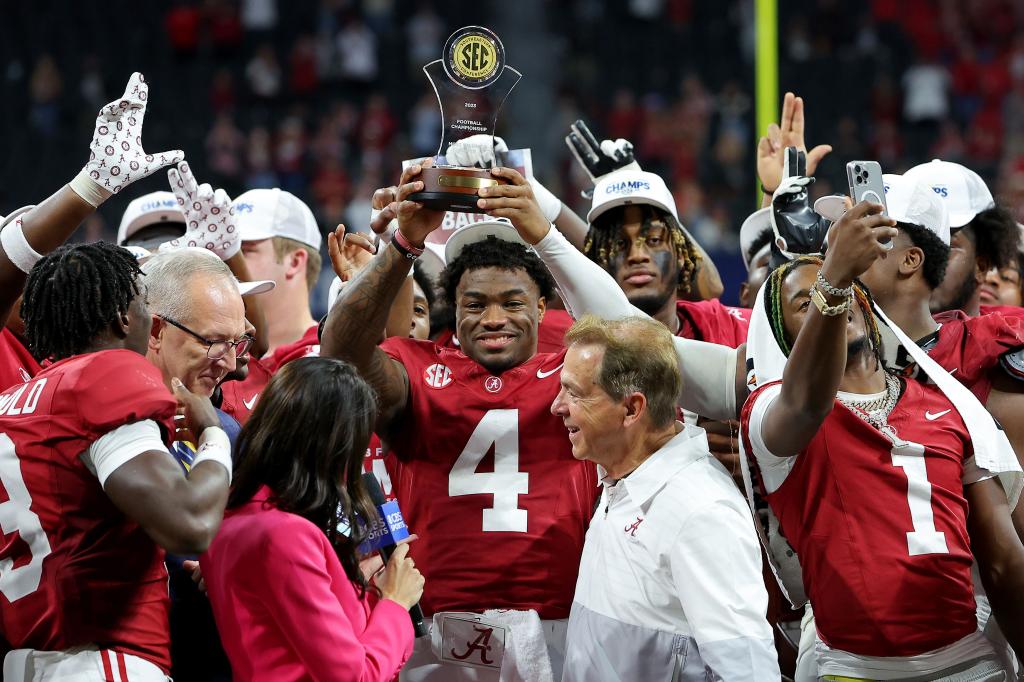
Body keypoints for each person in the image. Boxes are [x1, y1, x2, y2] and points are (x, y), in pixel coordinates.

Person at [324, 161, 745, 680]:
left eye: (512, 302)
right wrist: (402, 246)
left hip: (565, 618)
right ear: (450, 310)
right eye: (473, 303)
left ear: (545, 308)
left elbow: (631, 322)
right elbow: (339, 356)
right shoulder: (415, 367)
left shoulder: (581, 369)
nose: (494, 318)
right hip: (440, 628)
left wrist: (547, 231)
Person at [741, 201, 1024, 679]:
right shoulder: (770, 412)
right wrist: (832, 277)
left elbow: (1002, 559)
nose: (828, 302)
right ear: (784, 337)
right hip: (856, 668)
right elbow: (806, 403)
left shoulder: (946, 401)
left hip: (968, 660)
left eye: (841, 290)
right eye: (802, 304)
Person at [0, 242, 230, 680]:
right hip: (108, 661)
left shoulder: (11, 403)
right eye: (144, 302)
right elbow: (191, 524)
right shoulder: (106, 373)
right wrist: (214, 436)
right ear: (125, 317)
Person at [555, 315, 779, 680]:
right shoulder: (621, 478)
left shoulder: (702, 512)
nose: (557, 406)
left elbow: (749, 672)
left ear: (631, 408)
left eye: (575, 393)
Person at [201, 357, 422, 682]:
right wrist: (395, 602)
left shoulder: (232, 514)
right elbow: (353, 675)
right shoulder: (285, 534)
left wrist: (357, 584)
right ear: (337, 447)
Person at [903, 159, 1020, 315]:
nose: (919, 259)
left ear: (981, 266)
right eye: (910, 242)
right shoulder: (865, 333)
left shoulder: (1014, 338)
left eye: (945, 244)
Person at [233, 187, 322, 361]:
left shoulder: (333, 359)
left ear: (294, 262)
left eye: (243, 251)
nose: (227, 263)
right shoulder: (213, 359)